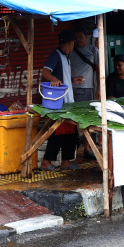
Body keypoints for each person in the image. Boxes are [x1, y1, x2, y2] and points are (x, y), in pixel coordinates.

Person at [40, 30, 80, 171]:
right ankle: (46, 162)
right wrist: (53, 79)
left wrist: (72, 80)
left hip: (68, 101)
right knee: (58, 132)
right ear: (68, 43)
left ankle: (66, 161)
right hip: (59, 102)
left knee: (71, 133)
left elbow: (62, 77)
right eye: (73, 43)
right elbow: (45, 72)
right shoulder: (55, 55)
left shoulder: (66, 56)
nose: (73, 46)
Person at [71, 28, 99, 102]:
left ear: (86, 37)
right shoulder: (70, 50)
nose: (78, 39)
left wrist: (99, 88)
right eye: (76, 38)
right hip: (71, 87)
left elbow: (99, 70)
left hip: (87, 88)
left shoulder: (93, 50)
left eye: (80, 37)